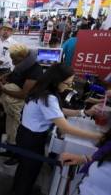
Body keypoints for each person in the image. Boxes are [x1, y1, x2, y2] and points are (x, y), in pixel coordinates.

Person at [12, 64, 103, 195]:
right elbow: (65, 128)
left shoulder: (42, 89)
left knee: (25, 167)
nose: (69, 87)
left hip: (26, 133)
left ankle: (18, 189)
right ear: (57, 80)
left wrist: (84, 112)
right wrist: (98, 136)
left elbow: (58, 111)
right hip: (31, 138)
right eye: (67, 83)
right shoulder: (48, 97)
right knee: (29, 170)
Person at [0, 44, 43, 166]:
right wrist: (6, 77)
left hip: (22, 107)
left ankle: (17, 156)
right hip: (13, 106)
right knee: (11, 129)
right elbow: (15, 76)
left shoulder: (35, 70)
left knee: (18, 131)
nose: (13, 62)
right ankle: (10, 150)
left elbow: (24, 94)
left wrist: (4, 89)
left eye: (15, 60)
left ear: (24, 57)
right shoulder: (22, 66)